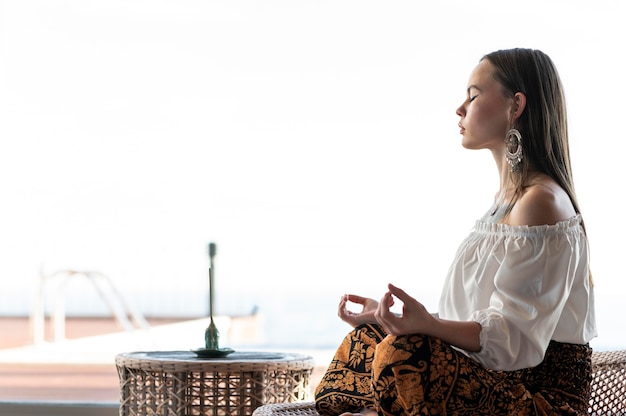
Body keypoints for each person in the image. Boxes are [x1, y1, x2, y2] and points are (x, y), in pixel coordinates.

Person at [314, 48, 597, 416]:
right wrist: (391, 319)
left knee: (402, 353)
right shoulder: (504, 204)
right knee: (365, 342)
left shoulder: (540, 202)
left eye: (474, 95)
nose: (460, 108)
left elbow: (512, 342)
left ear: (516, 105)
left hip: (535, 393)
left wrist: (426, 327)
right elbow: (479, 322)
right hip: (491, 372)